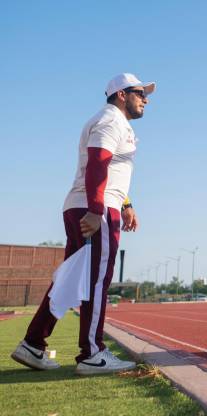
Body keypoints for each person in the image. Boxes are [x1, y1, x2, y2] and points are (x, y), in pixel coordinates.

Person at [11, 73, 155, 374]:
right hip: (95, 209)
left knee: (70, 279)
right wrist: (96, 209)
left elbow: (108, 168)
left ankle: (33, 344)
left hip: (92, 205)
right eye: (140, 92)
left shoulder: (116, 122)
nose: (146, 99)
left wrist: (126, 203)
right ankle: (93, 353)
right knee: (97, 281)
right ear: (120, 95)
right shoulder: (111, 120)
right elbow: (97, 162)